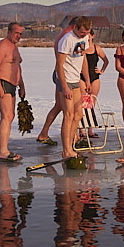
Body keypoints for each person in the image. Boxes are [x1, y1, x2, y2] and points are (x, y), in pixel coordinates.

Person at [55, 16, 92, 161]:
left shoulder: (85, 38)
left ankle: (70, 146)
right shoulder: (67, 40)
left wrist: (87, 79)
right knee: (69, 114)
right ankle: (66, 150)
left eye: (86, 33)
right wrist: (64, 86)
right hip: (65, 79)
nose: (84, 35)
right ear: (75, 28)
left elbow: (83, 58)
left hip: (76, 79)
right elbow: (59, 65)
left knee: (78, 115)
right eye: (82, 33)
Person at [0, 22, 27, 163]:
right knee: (6, 116)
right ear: (9, 32)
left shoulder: (14, 48)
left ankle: (4, 149)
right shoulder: (2, 46)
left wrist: (22, 85)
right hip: (3, 83)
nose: (19, 36)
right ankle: (3, 151)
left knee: (10, 116)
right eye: (17, 33)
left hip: (12, 85)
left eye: (21, 34)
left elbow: (17, 68)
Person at [36, 18, 76, 145]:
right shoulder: (66, 36)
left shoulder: (63, 35)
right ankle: (72, 138)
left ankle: (44, 132)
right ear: (75, 26)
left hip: (61, 73)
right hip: (63, 74)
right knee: (67, 109)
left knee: (59, 106)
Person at [81, 28, 109, 139]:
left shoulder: (97, 48)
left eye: (89, 35)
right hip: (82, 77)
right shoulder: (81, 48)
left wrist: (101, 70)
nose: (87, 37)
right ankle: (81, 130)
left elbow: (106, 60)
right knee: (83, 102)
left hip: (94, 77)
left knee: (91, 102)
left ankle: (90, 129)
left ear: (92, 36)